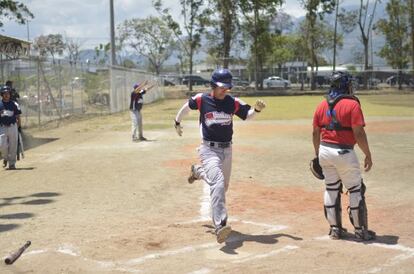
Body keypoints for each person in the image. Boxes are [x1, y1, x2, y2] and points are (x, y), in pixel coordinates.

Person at [174, 68, 266, 243]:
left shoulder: (233, 102)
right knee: (217, 181)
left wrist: (257, 110)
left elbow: (247, 116)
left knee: (222, 188)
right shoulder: (202, 99)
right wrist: (177, 122)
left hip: (227, 150)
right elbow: (186, 108)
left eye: (227, 87)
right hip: (209, 149)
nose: (225, 90)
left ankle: (198, 172)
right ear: (213, 85)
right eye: (222, 87)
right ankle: (220, 225)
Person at [312, 71, 376, 241]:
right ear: (345, 85)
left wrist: (317, 155)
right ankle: (360, 230)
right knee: (355, 189)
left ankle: (335, 229)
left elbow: (315, 132)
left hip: (324, 150)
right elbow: (359, 132)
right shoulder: (352, 105)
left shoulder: (322, 105)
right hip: (344, 152)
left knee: (331, 188)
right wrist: (367, 154)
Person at [0, 86, 22, 170]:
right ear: (2, 94)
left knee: (13, 145)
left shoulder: (14, 104)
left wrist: (19, 126)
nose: (6, 95)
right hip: (2, 127)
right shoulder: (0, 104)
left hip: (13, 126)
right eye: (4, 93)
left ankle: (12, 164)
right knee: (2, 145)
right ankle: (5, 158)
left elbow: (18, 116)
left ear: (10, 94)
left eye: (8, 93)